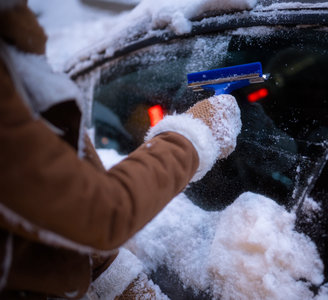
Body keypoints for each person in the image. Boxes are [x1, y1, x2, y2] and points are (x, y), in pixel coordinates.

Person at [0, 0, 241, 298]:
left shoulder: (16, 65)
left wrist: (118, 280)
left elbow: (49, 209)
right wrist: (195, 135)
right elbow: (96, 212)